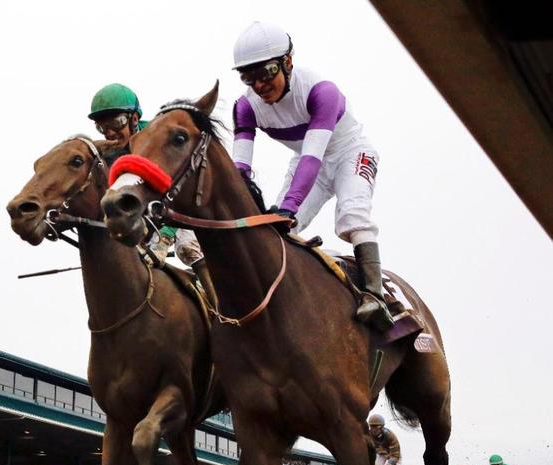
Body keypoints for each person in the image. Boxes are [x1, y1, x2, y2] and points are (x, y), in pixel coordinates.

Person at [230, 21, 394, 330]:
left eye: (266, 72)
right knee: (277, 233)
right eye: (248, 77)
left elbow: (313, 156)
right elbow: (240, 169)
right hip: (306, 159)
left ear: (287, 62)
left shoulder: (321, 91)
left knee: (352, 216)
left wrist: (287, 209)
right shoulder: (245, 106)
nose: (260, 85)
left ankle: (375, 296)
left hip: (349, 152)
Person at [89, 84, 216, 298]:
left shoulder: (157, 139)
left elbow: (178, 189)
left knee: (186, 247)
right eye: (103, 128)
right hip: (148, 215)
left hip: (182, 207)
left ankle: (220, 307)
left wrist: (165, 239)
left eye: (117, 123)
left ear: (134, 119)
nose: (110, 133)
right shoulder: (108, 157)